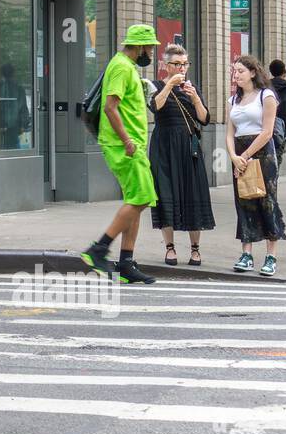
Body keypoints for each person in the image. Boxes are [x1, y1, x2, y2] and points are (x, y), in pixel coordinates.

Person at [80, 24, 159, 284]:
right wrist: (127, 141)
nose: (150, 52)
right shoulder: (122, 67)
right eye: (148, 47)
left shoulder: (128, 68)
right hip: (125, 145)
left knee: (136, 200)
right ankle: (98, 250)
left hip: (132, 144)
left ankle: (126, 263)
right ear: (137, 46)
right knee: (141, 197)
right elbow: (110, 108)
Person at [148, 43, 214, 265]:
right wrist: (169, 86)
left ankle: (195, 249)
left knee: (192, 193)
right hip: (164, 146)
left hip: (188, 146)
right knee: (165, 193)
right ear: (166, 65)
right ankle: (170, 248)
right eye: (177, 64)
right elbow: (155, 107)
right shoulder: (155, 85)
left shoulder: (191, 87)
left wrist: (194, 97)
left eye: (185, 64)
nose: (182, 68)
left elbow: (204, 118)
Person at [226, 56, 286, 275]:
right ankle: (246, 253)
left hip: (262, 152)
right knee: (243, 201)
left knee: (266, 201)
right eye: (234, 71)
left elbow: (267, 131)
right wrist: (234, 156)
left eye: (240, 71)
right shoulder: (232, 100)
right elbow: (230, 133)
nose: (236, 75)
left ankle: (271, 256)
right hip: (240, 153)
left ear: (252, 72)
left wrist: (246, 156)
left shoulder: (266, 96)